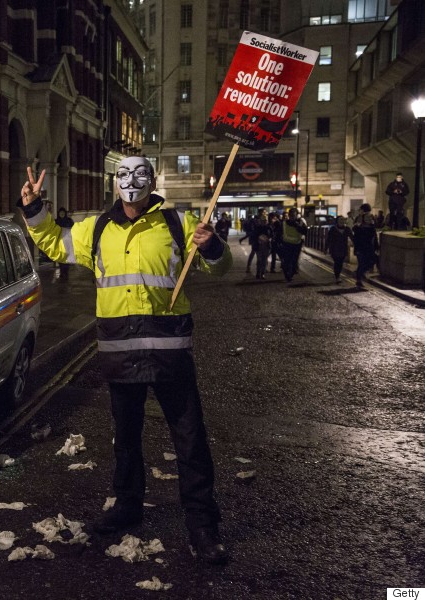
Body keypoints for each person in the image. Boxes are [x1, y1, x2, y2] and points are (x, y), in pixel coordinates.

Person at [18, 157, 232, 565]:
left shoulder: (178, 224)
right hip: (121, 353)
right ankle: (127, 506)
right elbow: (52, 243)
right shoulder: (97, 229)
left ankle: (203, 527)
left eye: (139, 174)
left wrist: (213, 245)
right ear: (114, 182)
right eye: (124, 175)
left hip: (170, 353)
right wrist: (33, 209)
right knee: (126, 441)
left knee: (190, 442)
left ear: (152, 181)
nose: (131, 181)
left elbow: (218, 268)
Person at [353, 203, 378, 288]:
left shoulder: (371, 222)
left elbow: (374, 233)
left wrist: (376, 245)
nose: (369, 217)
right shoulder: (359, 220)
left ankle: (361, 274)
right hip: (360, 245)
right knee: (362, 262)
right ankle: (359, 279)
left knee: (373, 260)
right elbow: (355, 232)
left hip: (368, 246)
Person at [280, 208, 307, 282]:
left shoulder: (300, 223)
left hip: (296, 245)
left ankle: (290, 275)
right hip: (286, 245)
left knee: (294, 262)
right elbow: (280, 233)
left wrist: (298, 226)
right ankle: (287, 275)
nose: (292, 217)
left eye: (294, 215)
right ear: (289, 215)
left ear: (296, 215)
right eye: (291, 215)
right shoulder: (284, 223)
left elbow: (305, 232)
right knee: (286, 262)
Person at [325, 216, 352, 283]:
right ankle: (337, 277)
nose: (342, 221)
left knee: (340, 263)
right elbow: (328, 239)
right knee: (337, 262)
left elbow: (352, 237)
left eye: (343, 219)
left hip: (343, 248)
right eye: (340, 219)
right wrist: (325, 248)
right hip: (334, 249)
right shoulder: (333, 229)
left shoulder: (347, 229)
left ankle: (338, 275)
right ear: (337, 221)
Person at [250, 213, 272, 279]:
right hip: (259, 246)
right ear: (260, 221)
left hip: (266, 246)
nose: (264, 222)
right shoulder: (257, 228)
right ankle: (258, 272)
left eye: (265, 220)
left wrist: (269, 239)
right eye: (263, 220)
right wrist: (258, 240)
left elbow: (272, 235)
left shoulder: (269, 228)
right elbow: (254, 236)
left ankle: (262, 273)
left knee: (264, 260)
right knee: (259, 260)